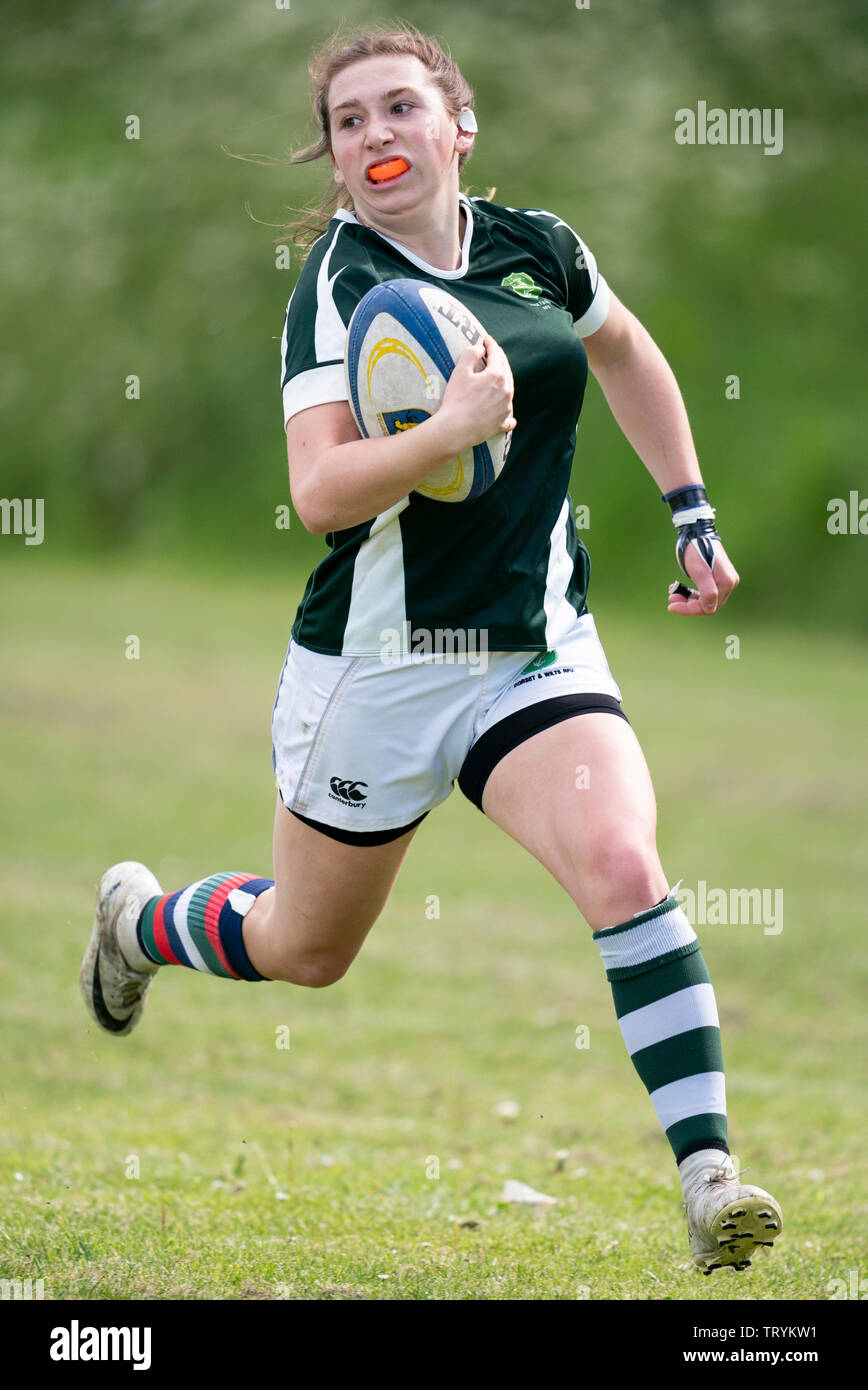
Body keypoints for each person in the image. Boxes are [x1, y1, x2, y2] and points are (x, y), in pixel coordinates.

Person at [80, 21, 782, 1276]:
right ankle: (141, 922)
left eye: (399, 108)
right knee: (307, 948)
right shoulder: (337, 289)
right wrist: (444, 431)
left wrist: (690, 507)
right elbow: (321, 492)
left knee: (624, 861)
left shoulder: (540, 249)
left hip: (532, 648)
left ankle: (709, 1177)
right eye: (349, 123)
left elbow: (623, 350)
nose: (374, 136)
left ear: (458, 128)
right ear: (338, 161)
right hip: (382, 663)